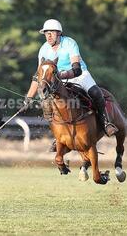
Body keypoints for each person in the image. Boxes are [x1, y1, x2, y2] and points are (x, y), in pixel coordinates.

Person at [24, 19, 118, 151]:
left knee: (96, 93)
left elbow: (77, 69)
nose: (48, 36)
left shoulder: (69, 43)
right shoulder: (43, 49)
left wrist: (60, 75)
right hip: (57, 81)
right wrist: (28, 97)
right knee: (48, 105)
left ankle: (105, 122)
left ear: (59, 33)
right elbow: (38, 76)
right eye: (46, 33)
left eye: (51, 33)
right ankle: (58, 137)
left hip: (78, 76)